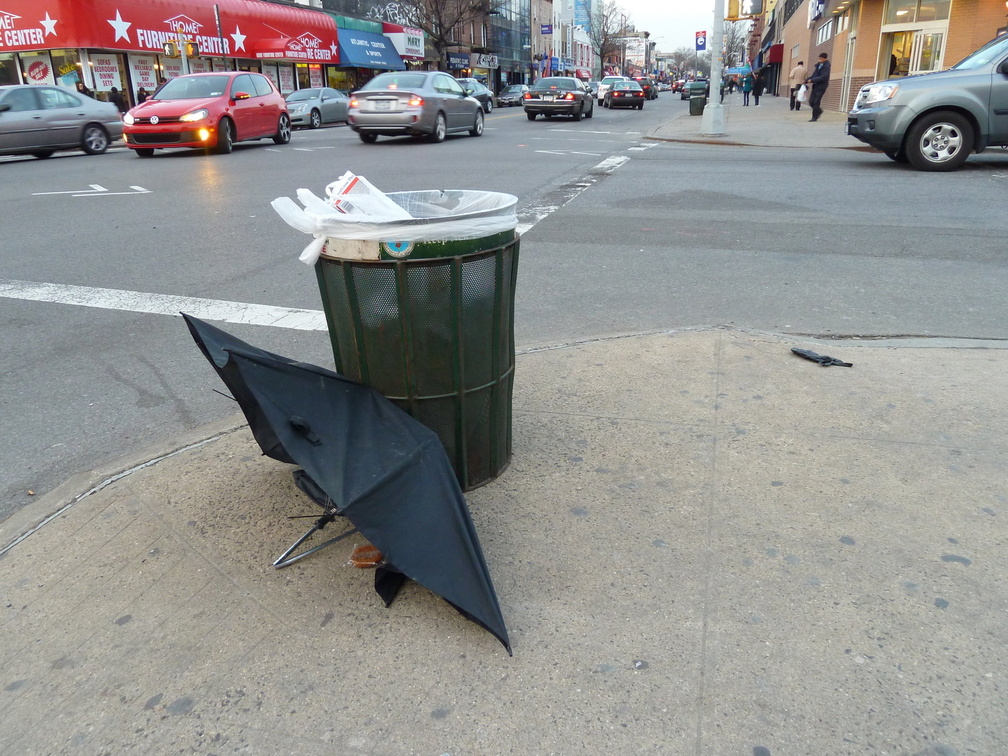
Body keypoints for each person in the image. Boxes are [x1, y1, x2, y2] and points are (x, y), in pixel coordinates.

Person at [805, 52, 831, 122]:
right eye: (819, 59)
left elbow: (824, 77)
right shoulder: (818, 66)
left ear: (825, 59)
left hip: (821, 87)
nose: (819, 60)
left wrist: (813, 80)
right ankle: (819, 111)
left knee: (816, 102)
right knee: (811, 101)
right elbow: (814, 75)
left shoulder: (826, 67)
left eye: (821, 59)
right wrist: (806, 80)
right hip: (815, 86)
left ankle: (814, 117)